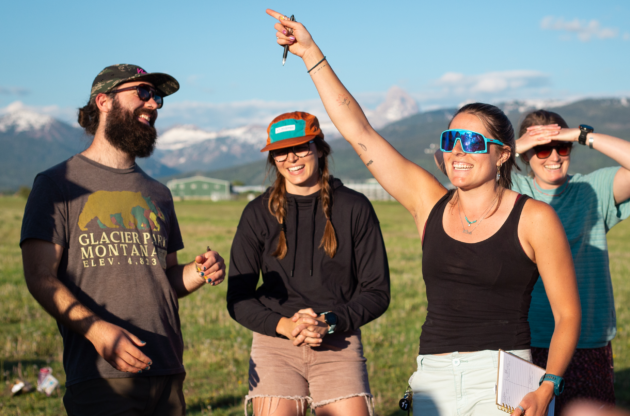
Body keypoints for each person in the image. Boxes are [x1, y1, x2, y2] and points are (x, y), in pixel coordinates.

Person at [266, 11, 581, 416]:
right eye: (451, 140)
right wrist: (310, 53)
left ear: (503, 154)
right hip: (433, 377)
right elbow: (359, 132)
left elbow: (567, 314)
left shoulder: (535, 218)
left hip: (504, 379)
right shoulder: (428, 202)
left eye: (471, 141)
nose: (458, 151)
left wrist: (548, 386)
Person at [20, 64, 226, 416]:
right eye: (143, 93)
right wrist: (97, 331)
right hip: (101, 373)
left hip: (166, 367)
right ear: (103, 101)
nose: (154, 104)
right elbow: (40, 276)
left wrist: (199, 271)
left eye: (157, 97)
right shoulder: (57, 183)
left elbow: (165, 278)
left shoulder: (158, 192)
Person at [226, 111, 390, 416]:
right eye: (280, 151)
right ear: (272, 158)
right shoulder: (256, 213)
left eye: (301, 147)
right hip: (275, 343)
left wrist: (328, 322)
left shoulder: (354, 207)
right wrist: (285, 326)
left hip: (338, 340)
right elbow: (238, 297)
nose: (291, 158)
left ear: (320, 149)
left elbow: (377, 291)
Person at [511, 110, 630, 413]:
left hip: (588, 340)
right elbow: (454, 165)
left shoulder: (592, 190)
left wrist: (580, 135)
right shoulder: (514, 191)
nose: (553, 156)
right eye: (541, 148)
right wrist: (516, 144)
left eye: (561, 147)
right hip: (526, 339)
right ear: (526, 155)